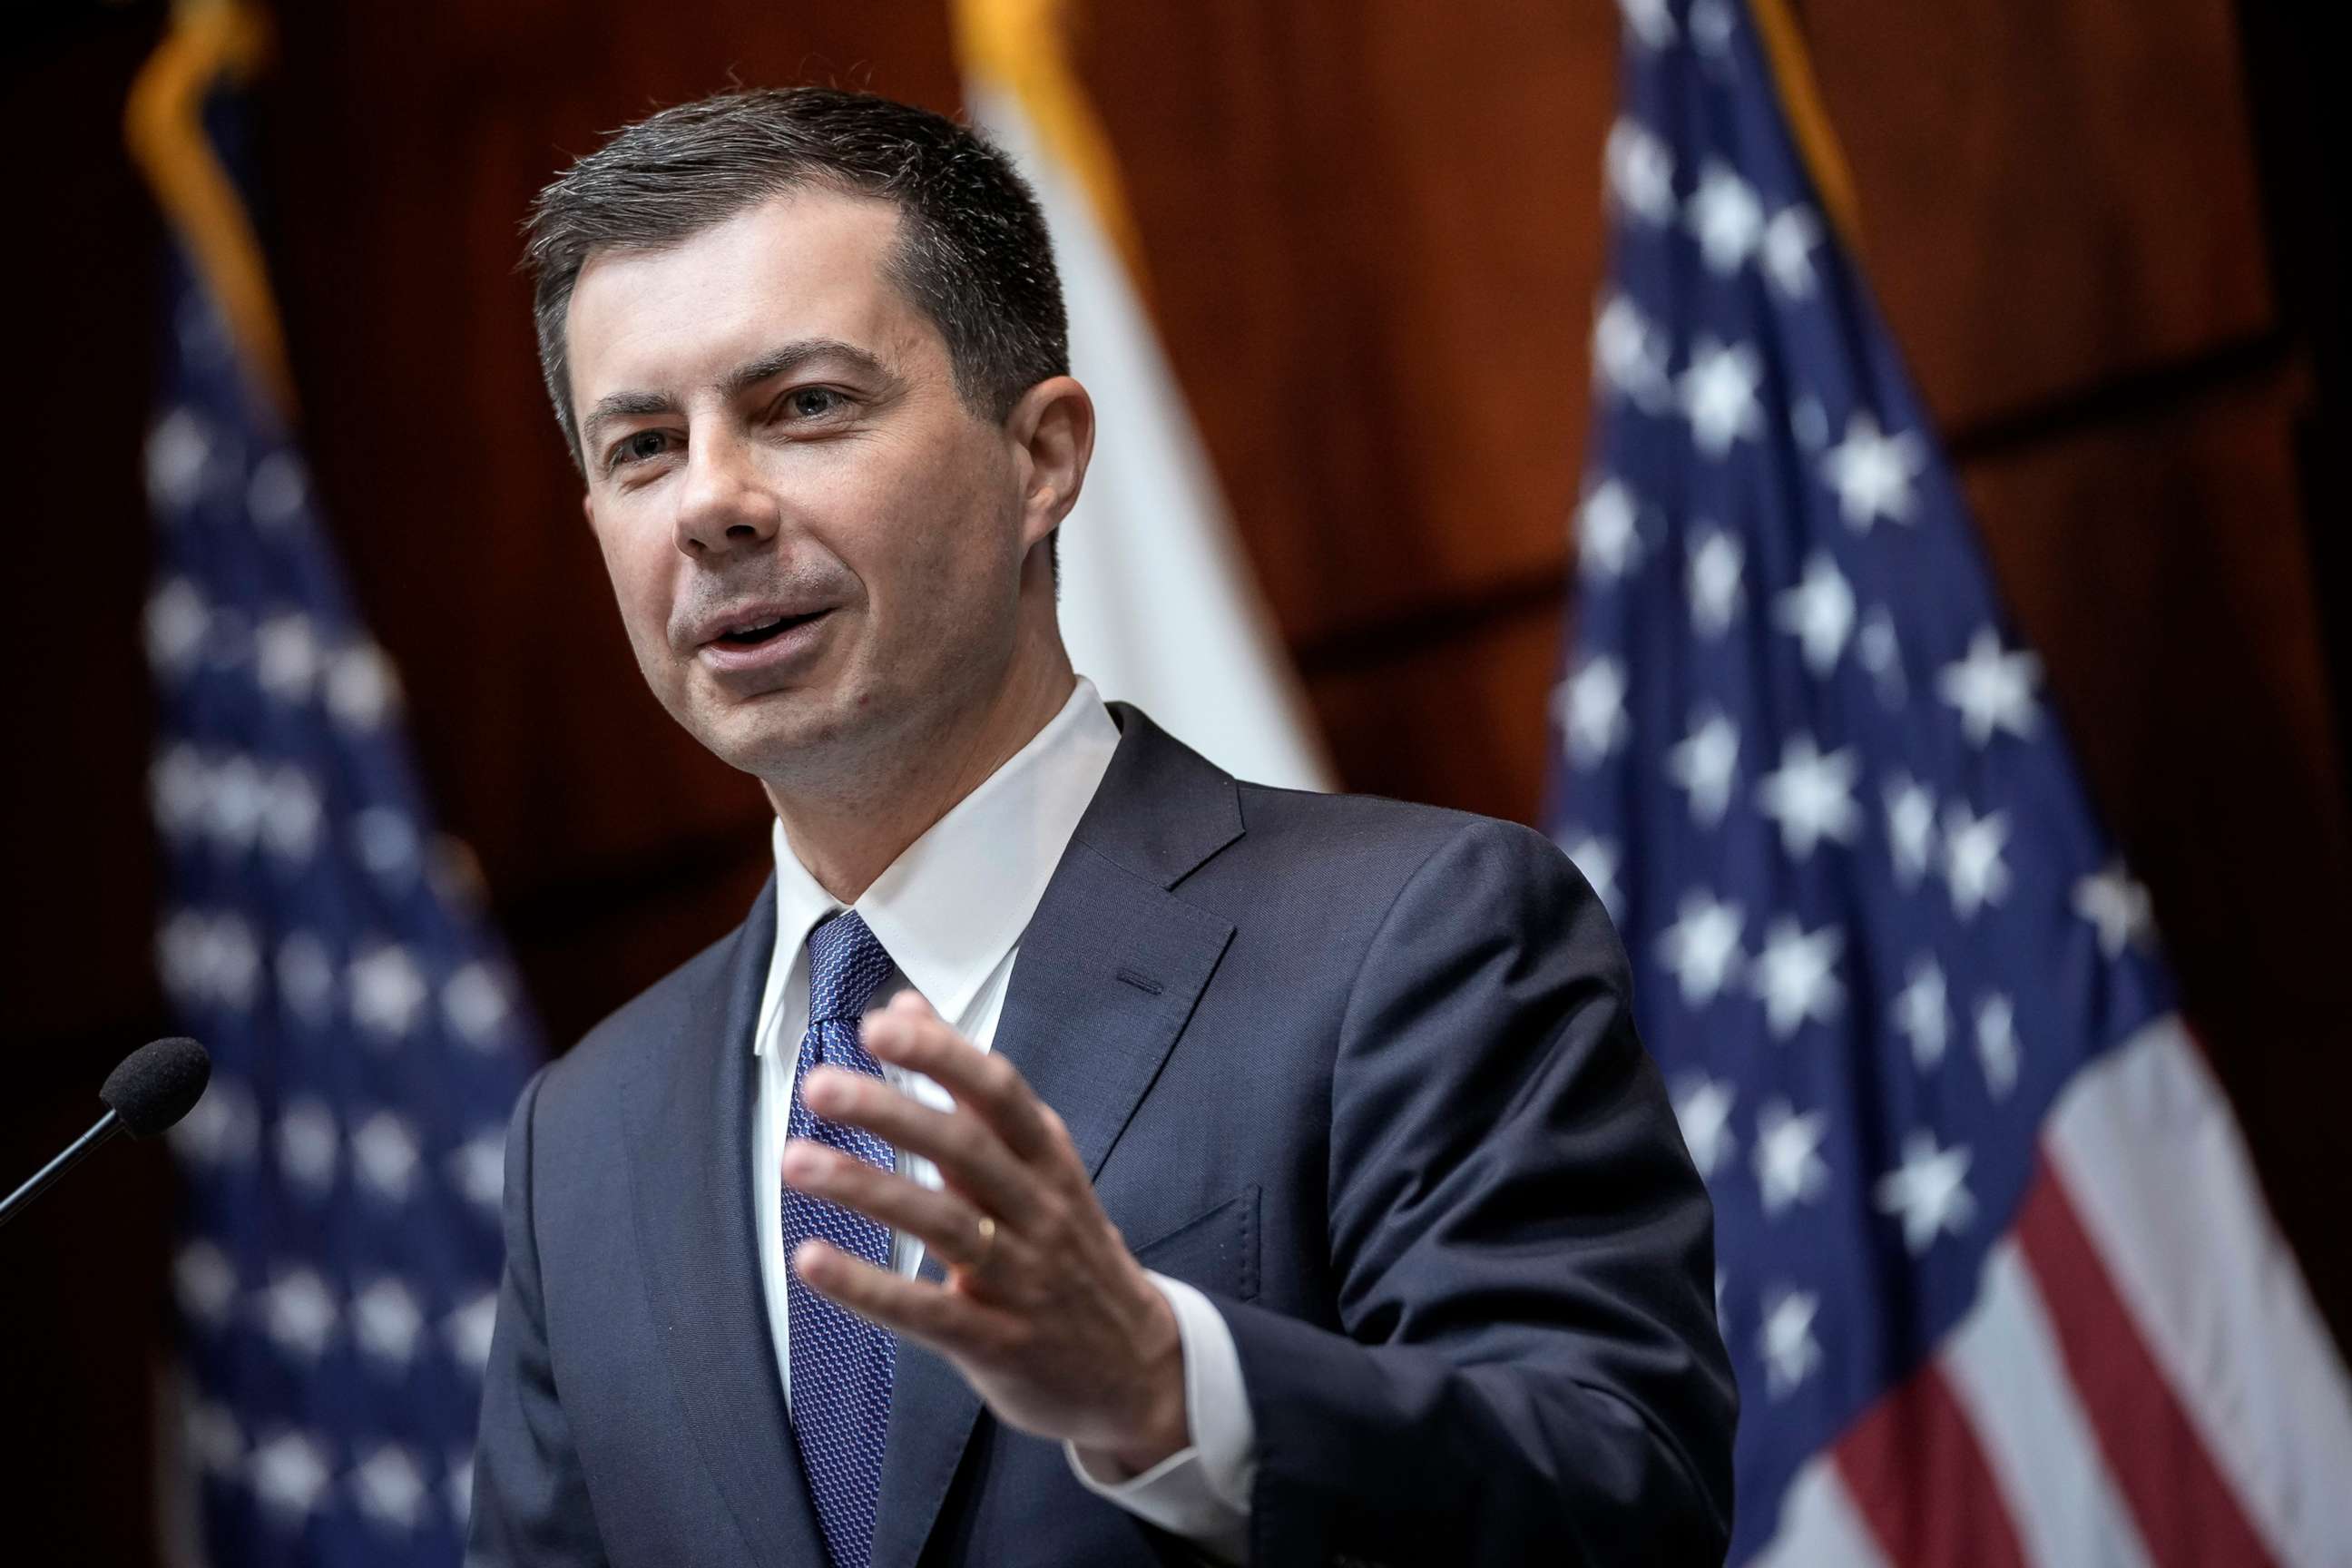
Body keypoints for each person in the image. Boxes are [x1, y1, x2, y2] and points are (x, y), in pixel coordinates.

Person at [470, 86, 1735, 1568]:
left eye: (801, 406)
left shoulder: (1417, 940)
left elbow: (1618, 1498)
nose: (710, 506)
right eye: (641, 448)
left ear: (1044, 459)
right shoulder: (588, 1137)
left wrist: (1167, 1390)